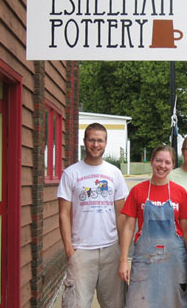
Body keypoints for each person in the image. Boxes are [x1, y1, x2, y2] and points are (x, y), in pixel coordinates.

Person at [57, 123, 129, 308]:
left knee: (115, 304)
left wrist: (122, 251)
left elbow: (122, 214)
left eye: (99, 140)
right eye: (91, 140)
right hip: (81, 250)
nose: (95, 144)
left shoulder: (114, 173)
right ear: (84, 142)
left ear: (105, 143)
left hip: (110, 250)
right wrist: (69, 250)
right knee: (76, 304)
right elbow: (64, 214)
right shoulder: (71, 173)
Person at [119, 145, 187, 308]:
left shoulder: (180, 192)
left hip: (175, 260)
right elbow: (129, 228)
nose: (162, 166)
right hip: (145, 259)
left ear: (173, 165)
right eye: (158, 160)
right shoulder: (137, 191)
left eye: (167, 162)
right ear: (151, 162)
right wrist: (124, 260)